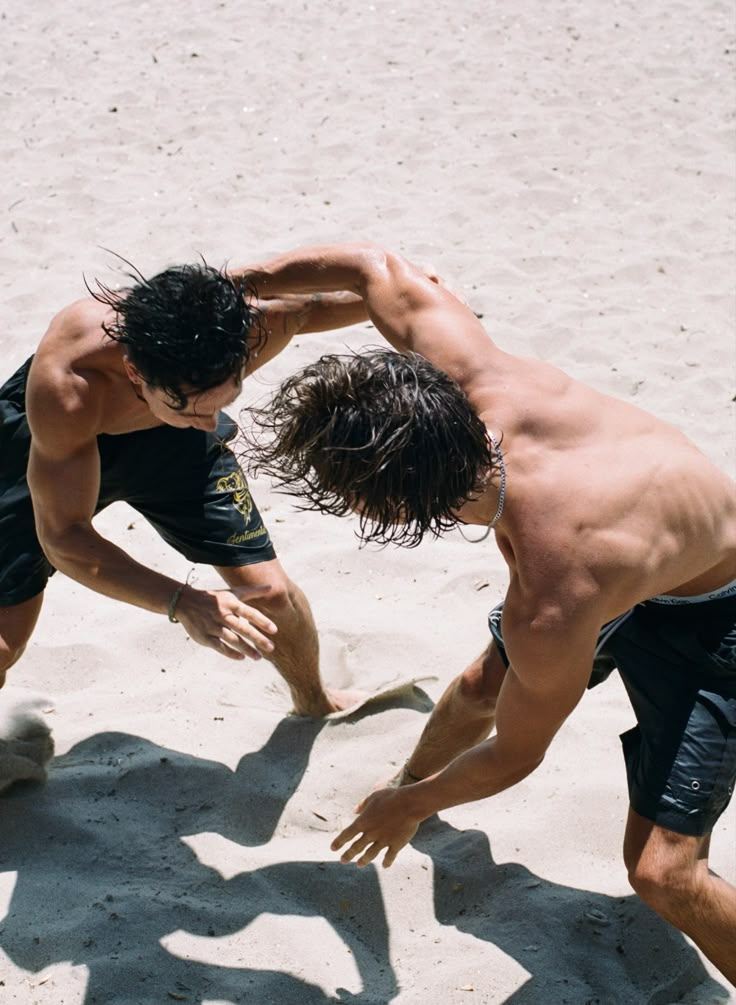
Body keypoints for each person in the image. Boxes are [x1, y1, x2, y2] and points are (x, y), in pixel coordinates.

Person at [242, 242, 736, 982]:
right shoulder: (471, 380)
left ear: (398, 501)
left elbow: (517, 753)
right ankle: (410, 787)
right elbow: (375, 268)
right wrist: (229, 289)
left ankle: (405, 800)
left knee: (662, 873)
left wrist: (404, 805)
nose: (348, 507)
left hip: (715, 620)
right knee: (480, 687)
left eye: (351, 497)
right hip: (646, 557)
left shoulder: (552, 591)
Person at [0, 258, 371, 766]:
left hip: (169, 445)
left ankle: (313, 699)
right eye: (194, 409)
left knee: (272, 593)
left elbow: (355, 286)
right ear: (135, 373)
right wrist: (183, 601)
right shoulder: (68, 385)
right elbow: (63, 536)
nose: (210, 424)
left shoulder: (245, 335)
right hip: (51, 448)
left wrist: (410, 292)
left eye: (222, 403)